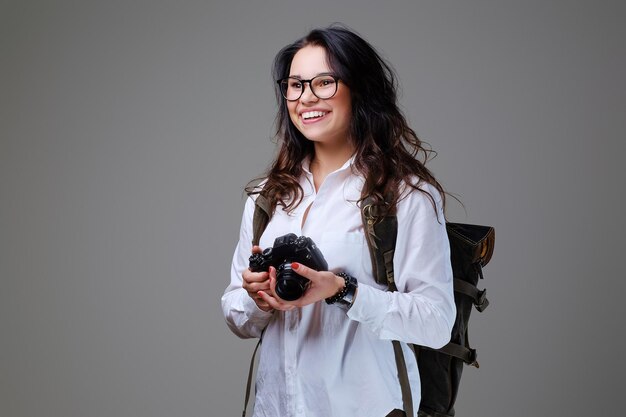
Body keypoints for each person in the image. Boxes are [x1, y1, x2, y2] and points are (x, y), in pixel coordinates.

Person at [221, 25, 456, 417]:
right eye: (295, 85)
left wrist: (342, 291)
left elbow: (436, 322)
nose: (306, 97)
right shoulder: (268, 196)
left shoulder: (405, 195)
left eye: (324, 82)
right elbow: (238, 316)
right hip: (275, 408)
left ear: (360, 90)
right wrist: (257, 296)